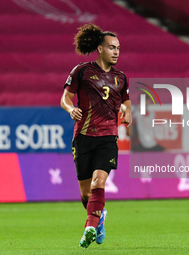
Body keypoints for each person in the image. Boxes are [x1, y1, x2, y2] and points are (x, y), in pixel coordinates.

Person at [60, 23, 131, 249]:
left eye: (118, 48)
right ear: (100, 49)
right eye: (112, 47)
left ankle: (89, 227)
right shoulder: (81, 71)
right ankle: (99, 218)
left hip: (108, 138)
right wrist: (71, 109)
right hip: (83, 136)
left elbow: (127, 102)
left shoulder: (121, 78)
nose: (117, 52)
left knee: (98, 182)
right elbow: (65, 99)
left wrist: (127, 111)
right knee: (85, 193)